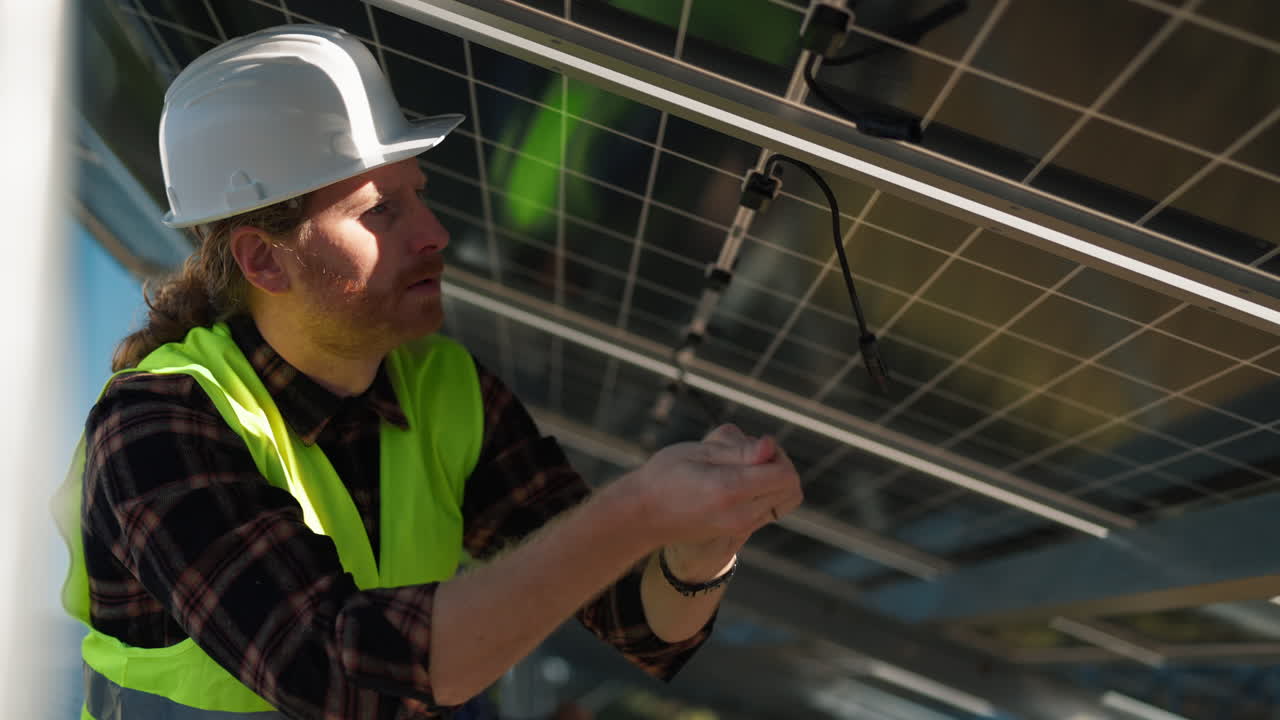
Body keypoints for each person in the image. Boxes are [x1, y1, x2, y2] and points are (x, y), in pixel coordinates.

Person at [55, 24, 802, 719]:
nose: (434, 234)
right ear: (262, 259)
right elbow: (340, 676)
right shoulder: (157, 429)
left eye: (420, 195)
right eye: (381, 211)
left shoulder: (442, 386)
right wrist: (636, 510)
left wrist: (703, 544)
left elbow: (639, 621)